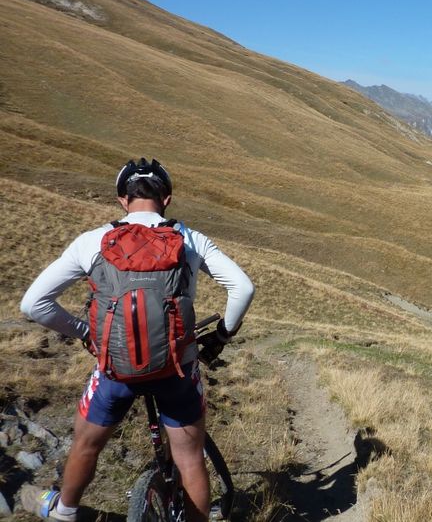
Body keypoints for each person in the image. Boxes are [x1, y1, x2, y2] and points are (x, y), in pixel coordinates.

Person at [18, 158, 255, 521]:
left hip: (114, 369)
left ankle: (65, 510)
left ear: (122, 200)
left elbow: (34, 304)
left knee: (87, 443)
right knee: (190, 458)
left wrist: (85, 334)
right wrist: (222, 335)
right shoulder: (190, 239)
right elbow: (242, 287)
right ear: (168, 199)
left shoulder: (92, 241)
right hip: (178, 367)